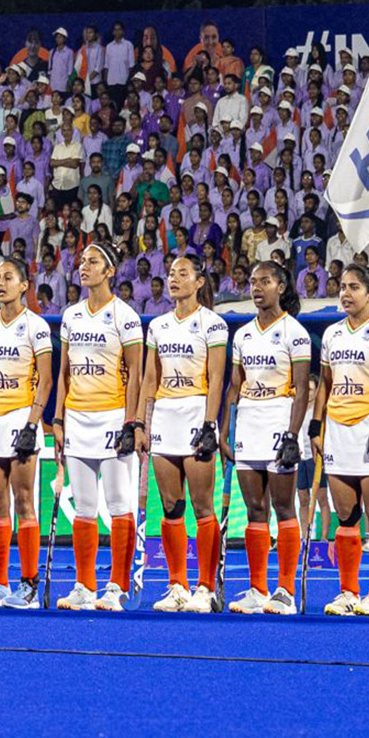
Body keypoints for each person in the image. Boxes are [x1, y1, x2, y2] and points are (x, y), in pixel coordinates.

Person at [53, 242, 144, 611]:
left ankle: (117, 586)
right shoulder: (71, 316)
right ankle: (84, 585)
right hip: (77, 418)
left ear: (109, 271)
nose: (83, 267)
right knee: (86, 507)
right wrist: (58, 418)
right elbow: (64, 373)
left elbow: (137, 372)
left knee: (120, 504)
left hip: (112, 418)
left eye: (92, 262)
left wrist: (131, 420)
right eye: (81, 261)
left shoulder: (125, 316)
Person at [313, 265, 369, 617]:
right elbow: (325, 384)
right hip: (338, 430)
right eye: (341, 287)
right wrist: (315, 427)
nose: (345, 293)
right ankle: (348, 592)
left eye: (353, 287)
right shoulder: (333, 334)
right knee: (346, 516)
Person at [223, 261, 312, 615]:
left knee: (283, 507)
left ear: (282, 286)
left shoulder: (295, 333)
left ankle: (286, 590)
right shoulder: (242, 335)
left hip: (279, 421)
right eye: (253, 282)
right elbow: (234, 387)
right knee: (254, 509)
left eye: (265, 281)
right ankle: (257, 588)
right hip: (248, 424)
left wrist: (293, 433)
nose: (257, 287)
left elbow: (303, 388)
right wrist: (225, 430)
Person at [143, 254, 228, 613]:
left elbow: (217, 378)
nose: (174, 279)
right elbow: (149, 379)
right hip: (164, 415)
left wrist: (210, 423)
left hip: (196, 412)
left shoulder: (213, 324)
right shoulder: (158, 326)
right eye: (171, 273)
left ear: (199, 282)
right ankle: (176, 584)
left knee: (202, 505)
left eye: (183, 274)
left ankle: (206, 587)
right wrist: (142, 424)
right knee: (170, 506)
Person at [0, 258, 54, 608]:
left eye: (8, 278)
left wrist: (33, 424)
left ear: (24, 285)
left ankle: (29, 586)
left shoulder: (36, 326)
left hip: (22, 418)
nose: (0, 283)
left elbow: (46, 380)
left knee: (23, 502)